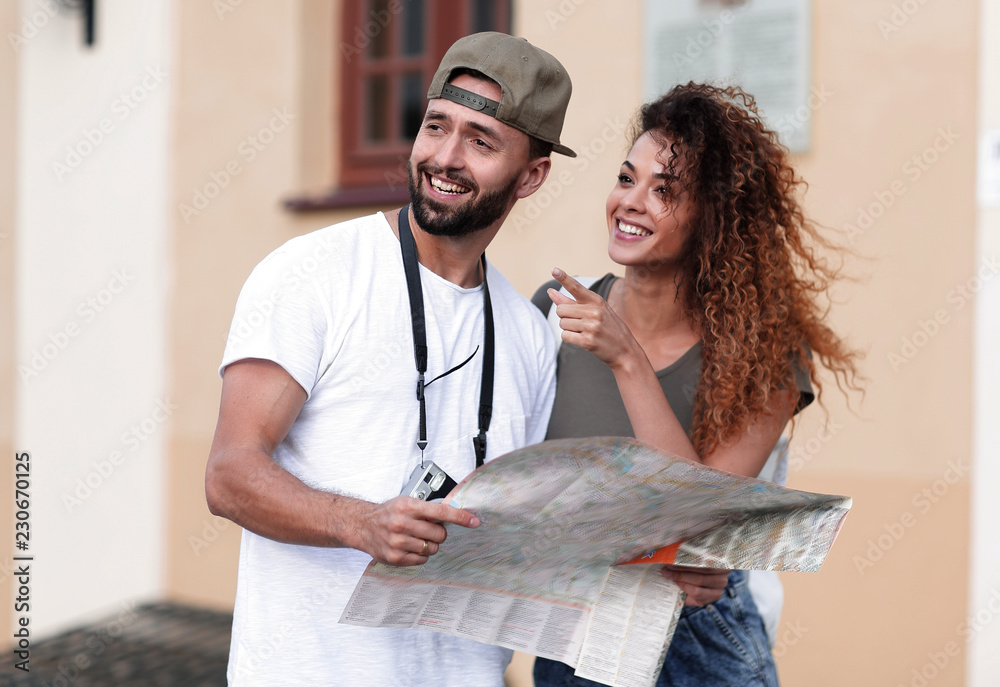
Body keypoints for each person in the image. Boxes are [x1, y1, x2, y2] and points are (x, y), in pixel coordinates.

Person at [204, 32, 575, 686]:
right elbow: (230, 473)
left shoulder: (530, 336)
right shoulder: (311, 273)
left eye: (481, 141)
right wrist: (362, 523)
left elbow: (523, 541)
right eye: (436, 126)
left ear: (532, 175)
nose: (445, 157)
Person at [531, 82, 859, 686]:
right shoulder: (555, 315)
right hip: (576, 631)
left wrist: (627, 360)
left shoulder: (766, 354)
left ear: (712, 217)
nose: (631, 202)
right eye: (627, 178)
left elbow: (692, 520)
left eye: (664, 191)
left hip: (698, 639)